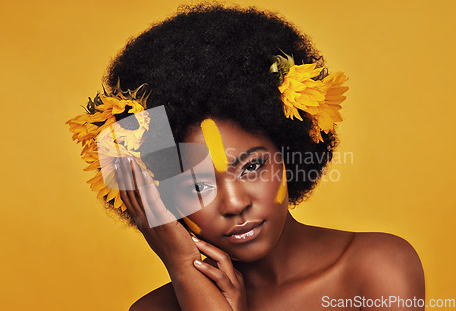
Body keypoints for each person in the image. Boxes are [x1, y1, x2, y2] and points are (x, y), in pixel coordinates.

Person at [67, 4, 425, 310]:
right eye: (197, 185)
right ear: (157, 198)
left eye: (252, 166)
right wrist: (183, 267)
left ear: (287, 153)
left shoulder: (377, 267)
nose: (234, 203)